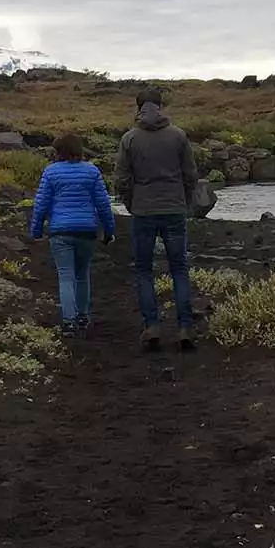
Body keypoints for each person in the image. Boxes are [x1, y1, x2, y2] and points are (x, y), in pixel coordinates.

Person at [114, 87, 198, 351]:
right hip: (174, 209)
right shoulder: (179, 136)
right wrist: (183, 201)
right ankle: (185, 327)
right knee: (179, 269)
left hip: (143, 211)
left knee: (143, 270)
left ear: (138, 108)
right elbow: (191, 175)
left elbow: (122, 179)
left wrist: (131, 203)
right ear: (160, 106)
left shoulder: (129, 139)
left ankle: (151, 326)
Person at [28, 133, 116, 335]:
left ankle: (68, 322)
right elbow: (103, 204)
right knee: (82, 274)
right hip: (86, 230)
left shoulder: (51, 172)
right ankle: (83, 316)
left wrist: (36, 230)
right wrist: (109, 231)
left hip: (60, 231)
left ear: (59, 152)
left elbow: (41, 204)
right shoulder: (92, 171)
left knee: (65, 276)